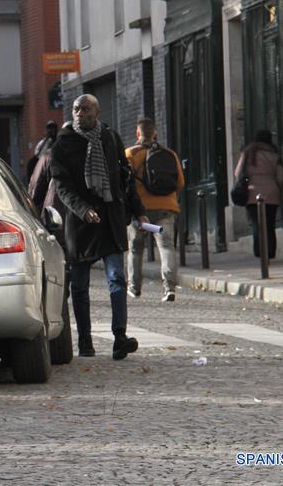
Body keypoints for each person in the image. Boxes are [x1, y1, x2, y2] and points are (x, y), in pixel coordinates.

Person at [51, 94, 145, 360]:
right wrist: (82, 209)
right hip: (80, 224)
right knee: (79, 285)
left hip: (110, 219)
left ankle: (120, 338)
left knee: (117, 277)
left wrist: (139, 211)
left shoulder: (110, 137)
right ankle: (85, 341)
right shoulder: (63, 143)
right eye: (76, 109)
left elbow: (125, 177)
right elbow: (61, 185)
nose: (80, 113)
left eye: (86, 109)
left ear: (98, 111)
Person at [125, 118, 185, 302]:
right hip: (165, 210)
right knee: (167, 247)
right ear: (155, 134)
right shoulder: (170, 154)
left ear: (137, 134)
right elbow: (180, 183)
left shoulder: (130, 154)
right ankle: (169, 288)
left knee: (135, 249)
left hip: (141, 214)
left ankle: (134, 288)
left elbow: (125, 184)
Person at [234, 129, 283, 259]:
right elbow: (281, 177)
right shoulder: (275, 154)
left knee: (257, 224)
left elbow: (237, 173)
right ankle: (270, 252)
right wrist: (276, 186)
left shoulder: (248, 152)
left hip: (253, 193)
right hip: (271, 193)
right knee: (270, 224)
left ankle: (260, 252)